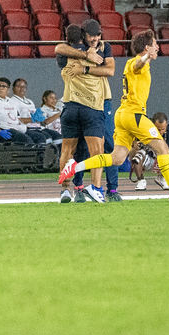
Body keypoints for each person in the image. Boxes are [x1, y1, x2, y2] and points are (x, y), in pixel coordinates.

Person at [58, 30, 169, 204]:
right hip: (134, 115)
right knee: (163, 149)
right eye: (154, 44)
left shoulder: (130, 63)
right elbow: (138, 64)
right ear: (147, 47)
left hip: (122, 115)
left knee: (116, 158)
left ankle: (74, 166)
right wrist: (147, 56)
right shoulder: (137, 63)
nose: (157, 47)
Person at [54, 22, 114, 203]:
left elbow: (59, 47)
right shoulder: (98, 51)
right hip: (91, 108)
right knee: (98, 151)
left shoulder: (63, 56)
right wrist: (88, 57)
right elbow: (110, 71)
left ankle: (65, 190)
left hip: (70, 107)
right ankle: (95, 188)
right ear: (84, 36)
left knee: (67, 151)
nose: (94, 39)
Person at [129, 112, 169, 191]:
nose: (160, 132)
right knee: (135, 154)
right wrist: (135, 146)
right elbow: (131, 152)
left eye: (163, 129)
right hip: (149, 158)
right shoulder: (144, 129)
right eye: (158, 129)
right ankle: (141, 180)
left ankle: (163, 178)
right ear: (152, 124)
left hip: (165, 159)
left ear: (166, 125)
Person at [0, 77, 33, 144]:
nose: (0, 88)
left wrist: (33, 119)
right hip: (3, 131)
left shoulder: (11, 102)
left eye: (3, 86)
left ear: (8, 89)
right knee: (26, 140)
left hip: (17, 129)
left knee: (38, 137)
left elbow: (19, 119)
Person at [10, 78, 58, 144]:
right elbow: (16, 120)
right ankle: (41, 154)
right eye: (18, 86)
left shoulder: (30, 101)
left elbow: (37, 117)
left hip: (37, 127)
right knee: (44, 138)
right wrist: (33, 119)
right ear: (13, 88)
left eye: (23, 87)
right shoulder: (11, 102)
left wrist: (39, 118)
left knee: (57, 137)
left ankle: (60, 154)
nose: (21, 89)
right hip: (26, 128)